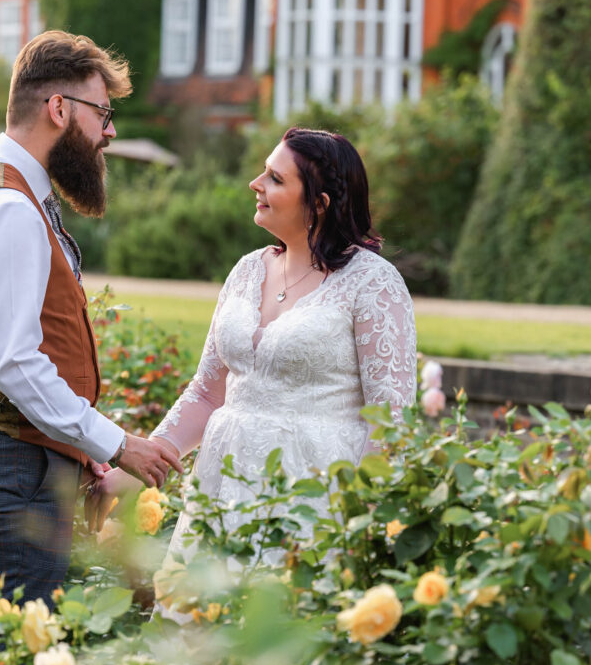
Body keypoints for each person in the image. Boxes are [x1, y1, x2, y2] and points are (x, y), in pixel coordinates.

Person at [0, 31, 182, 665]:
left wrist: (78, 453)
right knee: (1, 656)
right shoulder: (10, 208)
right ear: (58, 109)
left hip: (23, 457)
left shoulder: (9, 192)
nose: (107, 134)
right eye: (103, 115)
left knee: (14, 650)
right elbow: (15, 361)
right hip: (10, 463)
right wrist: (115, 443)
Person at [86, 126, 417, 585]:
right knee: (198, 629)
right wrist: (135, 469)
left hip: (315, 499)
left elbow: (392, 420)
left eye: (275, 178)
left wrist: (358, 521)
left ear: (319, 204)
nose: (255, 184)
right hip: (223, 488)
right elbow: (206, 394)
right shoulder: (246, 271)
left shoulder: (373, 283)